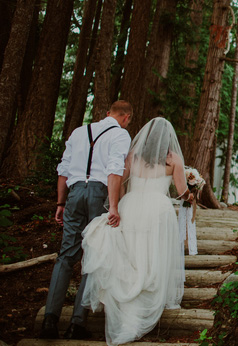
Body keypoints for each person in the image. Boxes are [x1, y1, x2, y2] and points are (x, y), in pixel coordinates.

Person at [79, 117, 194, 345]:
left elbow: (120, 180)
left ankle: (126, 303)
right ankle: (143, 300)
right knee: (151, 257)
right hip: (158, 210)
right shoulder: (174, 160)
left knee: (131, 256)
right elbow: (182, 193)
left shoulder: (133, 155)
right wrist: (194, 191)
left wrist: (121, 202)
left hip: (130, 206)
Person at [39, 100, 133, 340]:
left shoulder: (80, 132)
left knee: (66, 256)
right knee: (94, 254)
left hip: (74, 193)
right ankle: (76, 323)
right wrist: (113, 206)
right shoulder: (121, 136)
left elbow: (64, 169)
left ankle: (50, 319)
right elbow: (114, 170)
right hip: (99, 194)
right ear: (126, 118)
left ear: (107, 113)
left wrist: (61, 203)